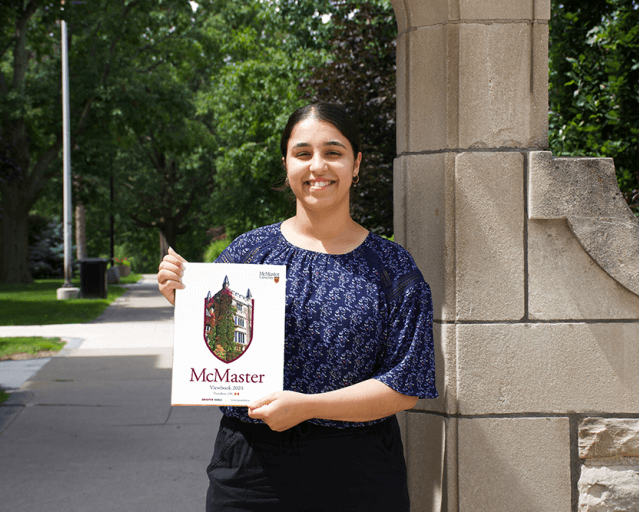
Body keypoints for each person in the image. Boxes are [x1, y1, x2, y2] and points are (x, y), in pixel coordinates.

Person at [157, 103, 437, 512]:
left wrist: (307, 407)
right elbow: (217, 352)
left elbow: (403, 385)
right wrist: (184, 301)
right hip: (251, 472)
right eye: (303, 153)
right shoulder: (247, 255)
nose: (317, 166)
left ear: (356, 164)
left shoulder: (393, 268)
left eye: (334, 152)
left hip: (360, 474)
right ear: (286, 163)